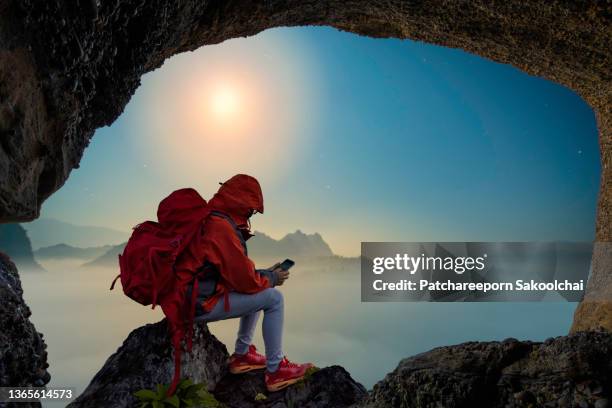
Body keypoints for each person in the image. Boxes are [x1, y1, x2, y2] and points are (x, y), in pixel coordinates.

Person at [175, 174, 313, 392]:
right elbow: (246, 282)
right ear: (241, 203)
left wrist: (267, 274)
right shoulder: (220, 227)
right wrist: (273, 278)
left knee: (261, 288)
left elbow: (237, 275)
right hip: (197, 305)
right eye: (251, 209)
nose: (251, 214)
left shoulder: (210, 219)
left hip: (187, 300)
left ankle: (242, 355)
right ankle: (275, 370)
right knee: (273, 298)